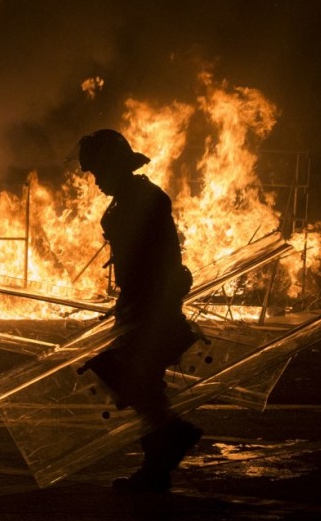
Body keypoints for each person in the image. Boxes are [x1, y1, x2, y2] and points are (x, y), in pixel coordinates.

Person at [76, 129, 202, 494]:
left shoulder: (142, 200)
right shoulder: (131, 199)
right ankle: (158, 465)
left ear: (115, 166)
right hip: (143, 304)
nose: (97, 181)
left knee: (132, 376)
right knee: (141, 380)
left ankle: (168, 441)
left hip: (152, 308)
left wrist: (144, 307)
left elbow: (157, 261)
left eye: (99, 172)